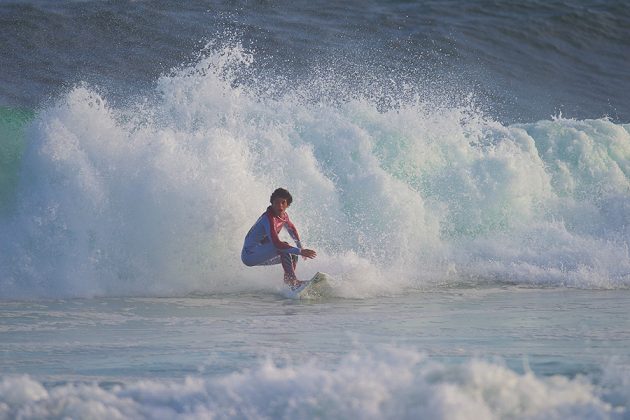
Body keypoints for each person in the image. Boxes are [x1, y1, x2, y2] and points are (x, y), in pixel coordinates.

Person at [241, 188, 317, 288]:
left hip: (259, 253)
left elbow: (292, 229)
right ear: (272, 204)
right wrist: (300, 251)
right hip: (249, 254)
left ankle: (288, 283)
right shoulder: (268, 218)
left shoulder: (284, 216)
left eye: (283, 203)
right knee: (284, 247)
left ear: (288, 205)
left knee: (293, 256)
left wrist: (300, 247)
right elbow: (276, 243)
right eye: (276, 203)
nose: (279, 206)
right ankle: (293, 282)